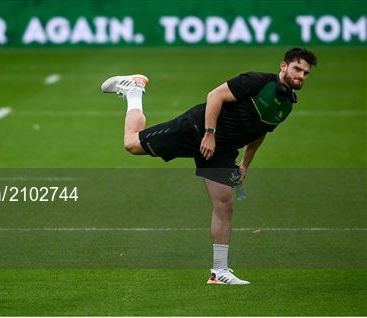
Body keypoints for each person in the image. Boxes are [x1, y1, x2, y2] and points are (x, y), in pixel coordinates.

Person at [100, 48, 317, 285]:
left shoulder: (285, 105)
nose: (301, 76)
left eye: (306, 73)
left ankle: (219, 272)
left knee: (225, 204)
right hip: (196, 129)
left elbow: (260, 132)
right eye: (297, 69)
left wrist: (245, 164)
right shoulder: (255, 82)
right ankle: (134, 90)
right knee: (132, 143)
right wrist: (209, 134)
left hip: (222, 151)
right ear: (283, 66)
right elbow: (215, 96)